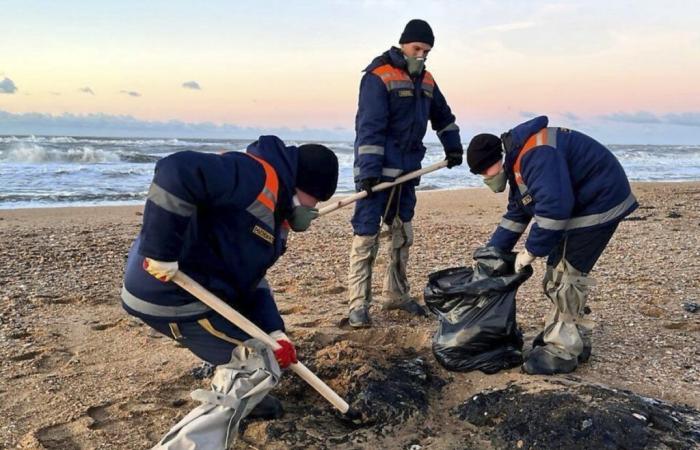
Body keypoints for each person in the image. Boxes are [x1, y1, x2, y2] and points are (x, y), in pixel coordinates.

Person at [121, 135, 338, 417]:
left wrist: (274, 330)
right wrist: (160, 252)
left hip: (209, 289)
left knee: (266, 350)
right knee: (260, 366)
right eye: (315, 200)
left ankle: (232, 364)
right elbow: (176, 171)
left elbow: (252, 281)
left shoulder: (276, 216)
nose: (313, 208)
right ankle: (221, 410)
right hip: (169, 293)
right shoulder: (252, 176)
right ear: (301, 184)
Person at [466, 115, 638, 375]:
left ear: (496, 160)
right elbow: (518, 212)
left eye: (483, 172)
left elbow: (555, 210)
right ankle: (573, 335)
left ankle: (562, 350)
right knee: (557, 271)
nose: (484, 178)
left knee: (565, 274)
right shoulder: (518, 162)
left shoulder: (536, 155)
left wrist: (529, 253)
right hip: (583, 201)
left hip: (599, 202)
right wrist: (493, 253)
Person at [347, 19, 464, 328]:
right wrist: (369, 172)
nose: (422, 55)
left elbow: (444, 116)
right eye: (417, 49)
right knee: (366, 235)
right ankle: (358, 304)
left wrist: (453, 146)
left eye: (427, 51)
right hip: (377, 173)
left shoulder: (427, 81)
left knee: (402, 233)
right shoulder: (378, 76)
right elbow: (369, 127)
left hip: (408, 172)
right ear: (403, 44)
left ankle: (396, 294)